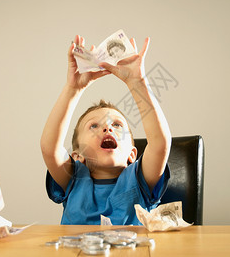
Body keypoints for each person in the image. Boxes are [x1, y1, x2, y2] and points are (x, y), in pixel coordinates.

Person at [40, 34, 171, 225]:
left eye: (117, 125)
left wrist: (137, 83)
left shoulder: (139, 180)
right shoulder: (73, 179)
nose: (107, 128)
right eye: (93, 126)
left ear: (132, 155)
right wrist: (73, 89)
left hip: (130, 255)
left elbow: (160, 144)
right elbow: (49, 148)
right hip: (75, 255)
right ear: (77, 156)